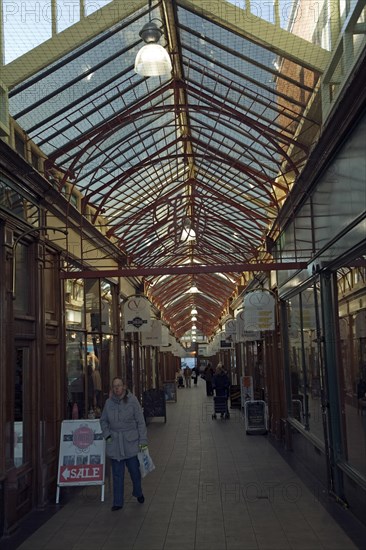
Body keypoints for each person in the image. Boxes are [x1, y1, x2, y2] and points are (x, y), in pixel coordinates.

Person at [100, 377, 148, 511]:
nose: (117, 388)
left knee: (134, 470)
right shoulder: (108, 403)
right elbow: (103, 421)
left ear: (124, 387)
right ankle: (118, 502)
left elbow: (140, 422)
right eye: (114, 386)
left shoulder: (133, 401)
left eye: (119, 385)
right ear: (112, 388)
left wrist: (143, 441)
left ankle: (138, 492)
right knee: (117, 473)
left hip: (131, 442)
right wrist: (107, 435)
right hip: (115, 443)